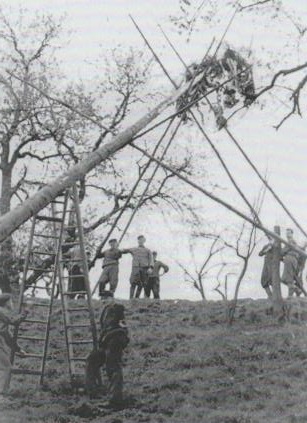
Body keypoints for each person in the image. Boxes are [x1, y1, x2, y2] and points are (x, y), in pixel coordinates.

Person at [85, 303, 129, 409]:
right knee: (92, 360)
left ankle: (115, 400)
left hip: (114, 341)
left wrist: (106, 339)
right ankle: (94, 391)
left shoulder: (116, 312)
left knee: (113, 368)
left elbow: (121, 331)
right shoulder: (109, 309)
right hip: (108, 342)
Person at [0, 294, 27, 396]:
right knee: (6, 367)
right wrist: (25, 312)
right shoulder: (1, 311)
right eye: (11, 301)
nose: (12, 304)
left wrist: (18, 349)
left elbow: (8, 337)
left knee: (5, 366)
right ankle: (3, 393)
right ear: (6, 302)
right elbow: (14, 321)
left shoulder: (2, 321)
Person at [281, 228, 306, 297]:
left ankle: (293, 292)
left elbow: (283, 251)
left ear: (292, 234)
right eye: (286, 233)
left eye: (289, 233)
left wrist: (278, 253)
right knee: (285, 279)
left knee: (288, 279)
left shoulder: (291, 241)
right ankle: (296, 290)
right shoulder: (290, 241)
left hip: (290, 259)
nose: (287, 234)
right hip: (290, 259)